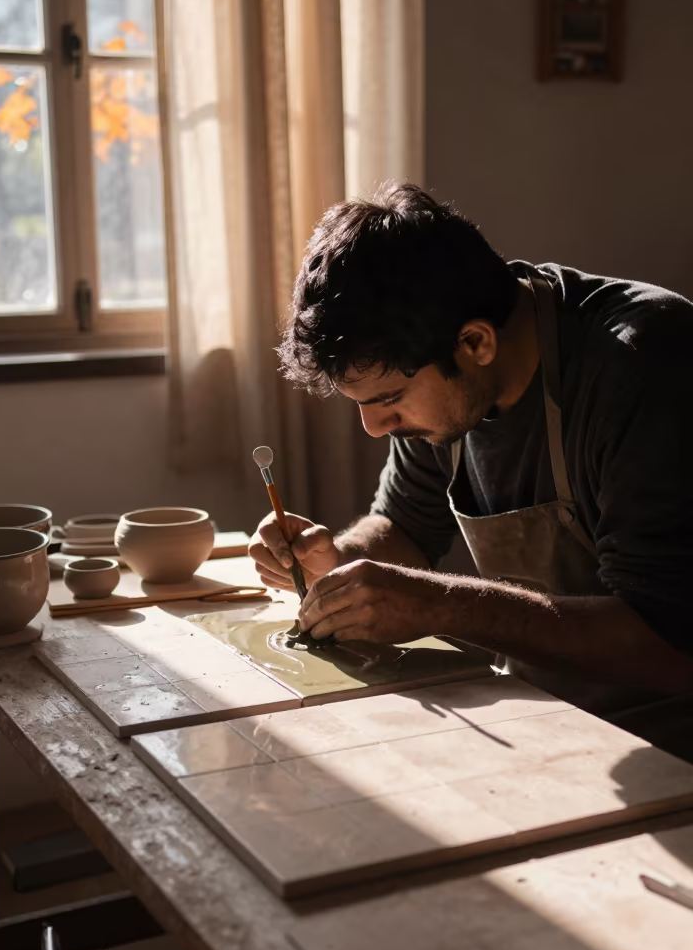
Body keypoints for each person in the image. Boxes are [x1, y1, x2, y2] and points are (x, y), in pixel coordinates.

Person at [250, 182, 693, 758]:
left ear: (476, 342)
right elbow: (406, 528)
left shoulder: (645, 365)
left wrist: (442, 605)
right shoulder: (443, 380)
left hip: (671, 741)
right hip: (554, 719)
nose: (373, 427)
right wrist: (338, 561)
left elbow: (669, 643)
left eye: (388, 398)